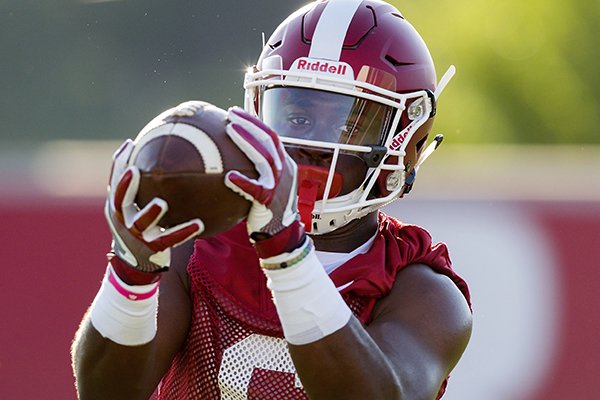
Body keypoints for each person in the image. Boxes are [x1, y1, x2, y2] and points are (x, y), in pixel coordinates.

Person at [71, 0, 472, 399]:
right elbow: (106, 393)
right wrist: (130, 275)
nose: (313, 144)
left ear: (407, 143)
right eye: (296, 117)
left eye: (348, 124)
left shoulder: (424, 293)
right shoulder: (198, 244)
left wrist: (288, 258)